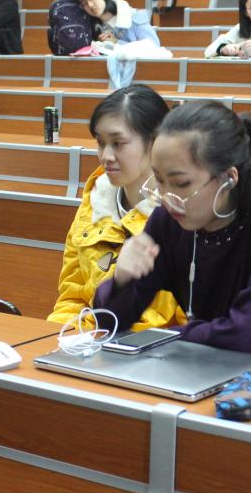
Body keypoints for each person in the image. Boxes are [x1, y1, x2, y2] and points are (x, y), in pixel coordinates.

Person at [93, 100, 251, 365]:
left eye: (181, 183)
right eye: (159, 180)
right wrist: (121, 282)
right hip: (195, 368)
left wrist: (162, 338)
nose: (167, 197)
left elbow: (247, 335)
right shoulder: (168, 220)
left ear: (229, 178)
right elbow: (110, 322)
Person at [50, 86, 184, 330]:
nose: (106, 156)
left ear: (155, 142)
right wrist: (57, 338)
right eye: (101, 143)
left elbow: (190, 323)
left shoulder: (181, 215)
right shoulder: (95, 203)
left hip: (153, 347)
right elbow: (72, 298)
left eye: (118, 143)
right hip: (89, 339)